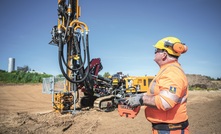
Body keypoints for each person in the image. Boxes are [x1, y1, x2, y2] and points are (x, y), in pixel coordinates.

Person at [126, 36, 189, 134]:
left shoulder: (172, 72)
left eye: (157, 50)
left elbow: (165, 102)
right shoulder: (166, 70)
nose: (155, 52)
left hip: (170, 130)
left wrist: (141, 99)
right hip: (165, 129)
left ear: (164, 54)